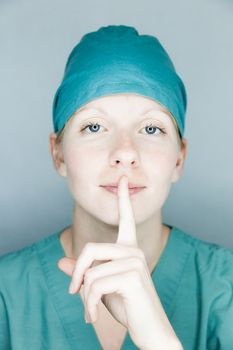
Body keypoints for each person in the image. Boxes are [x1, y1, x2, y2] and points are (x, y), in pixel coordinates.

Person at [0, 24, 232, 350]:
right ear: (58, 154)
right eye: (94, 126)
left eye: (151, 128)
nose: (125, 152)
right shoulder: (6, 296)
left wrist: (158, 339)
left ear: (179, 159)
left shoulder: (225, 287)